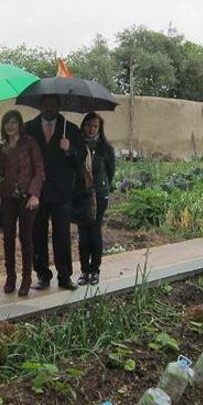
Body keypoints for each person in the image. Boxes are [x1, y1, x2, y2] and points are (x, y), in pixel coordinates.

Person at [23, 96, 82, 290]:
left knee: (62, 235)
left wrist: (70, 149)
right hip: (36, 192)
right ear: (40, 105)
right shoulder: (28, 128)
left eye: (52, 104)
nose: (49, 107)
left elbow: (81, 157)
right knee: (37, 233)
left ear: (59, 105)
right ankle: (42, 275)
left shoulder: (70, 128)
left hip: (62, 191)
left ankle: (64, 276)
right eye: (45, 104)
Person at [0, 109, 44, 296]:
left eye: (13, 122)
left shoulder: (30, 143)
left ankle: (26, 278)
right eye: (7, 122)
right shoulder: (3, 145)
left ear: (19, 124)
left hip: (26, 199)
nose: (9, 126)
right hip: (7, 198)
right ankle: (10, 278)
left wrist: (34, 194)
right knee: (8, 238)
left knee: (25, 238)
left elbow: (39, 171)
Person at [74, 112, 116, 286]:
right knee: (83, 233)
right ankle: (84, 270)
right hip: (81, 195)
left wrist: (101, 185)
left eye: (95, 126)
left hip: (99, 194)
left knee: (95, 231)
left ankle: (95, 270)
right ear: (83, 125)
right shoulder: (77, 146)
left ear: (99, 128)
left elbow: (111, 172)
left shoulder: (106, 149)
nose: (91, 129)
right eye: (88, 125)